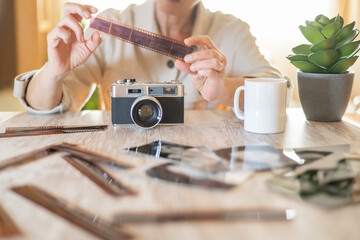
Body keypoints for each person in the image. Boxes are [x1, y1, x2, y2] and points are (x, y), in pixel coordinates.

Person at [14, 0, 289, 114]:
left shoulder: (233, 32)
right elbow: (45, 110)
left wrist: (223, 90)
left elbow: (280, 95)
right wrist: (55, 71)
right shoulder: (109, 27)